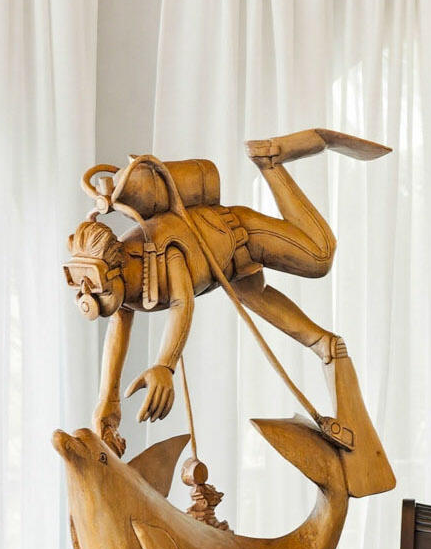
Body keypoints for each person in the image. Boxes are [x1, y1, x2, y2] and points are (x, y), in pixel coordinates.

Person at [64, 129, 396, 499]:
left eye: (96, 287)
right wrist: (107, 405)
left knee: (319, 257)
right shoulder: (126, 286)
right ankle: (330, 354)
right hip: (234, 276)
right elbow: (118, 328)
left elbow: (183, 303)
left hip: (241, 236)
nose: (90, 298)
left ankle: (269, 161)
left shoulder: (162, 252)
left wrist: (165, 365)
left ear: (114, 268)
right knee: (318, 341)